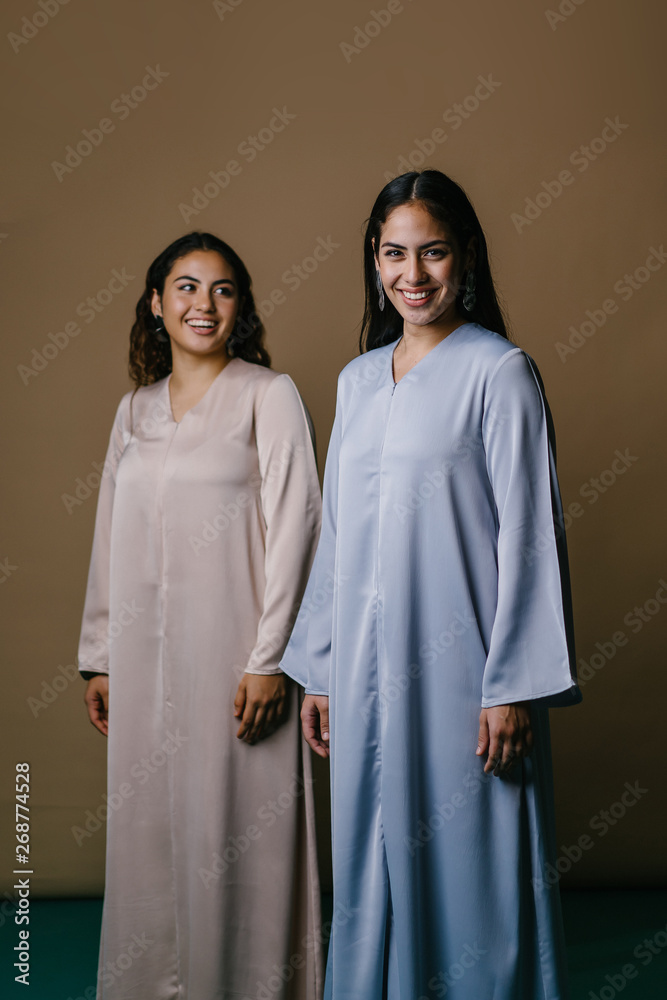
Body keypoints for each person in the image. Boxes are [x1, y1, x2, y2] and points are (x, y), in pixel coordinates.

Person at [280, 170, 582, 1000]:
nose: (411, 275)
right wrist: (321, 666)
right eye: (392, 254)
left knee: (469, 863)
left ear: (466, 258)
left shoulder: (499, 372)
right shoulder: (357, 380)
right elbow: (336, 535)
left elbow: (529, 535)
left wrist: (512, 685)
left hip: (464, 673)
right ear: (373, 262)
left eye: (432, 252)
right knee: (372, 850)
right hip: (367, 675)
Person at [78, 232, 324, 1000]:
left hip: (237, 660)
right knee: (152, 836)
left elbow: (300, 527)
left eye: (221, 290)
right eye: (185, 288)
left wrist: (272, 657)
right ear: (155, 304)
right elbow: (108, 532)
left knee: (241, 833)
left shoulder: (267, 394)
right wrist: (100, 654)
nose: (202, 305)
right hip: (145, 664)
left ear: (240, 307)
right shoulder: (134, 411)